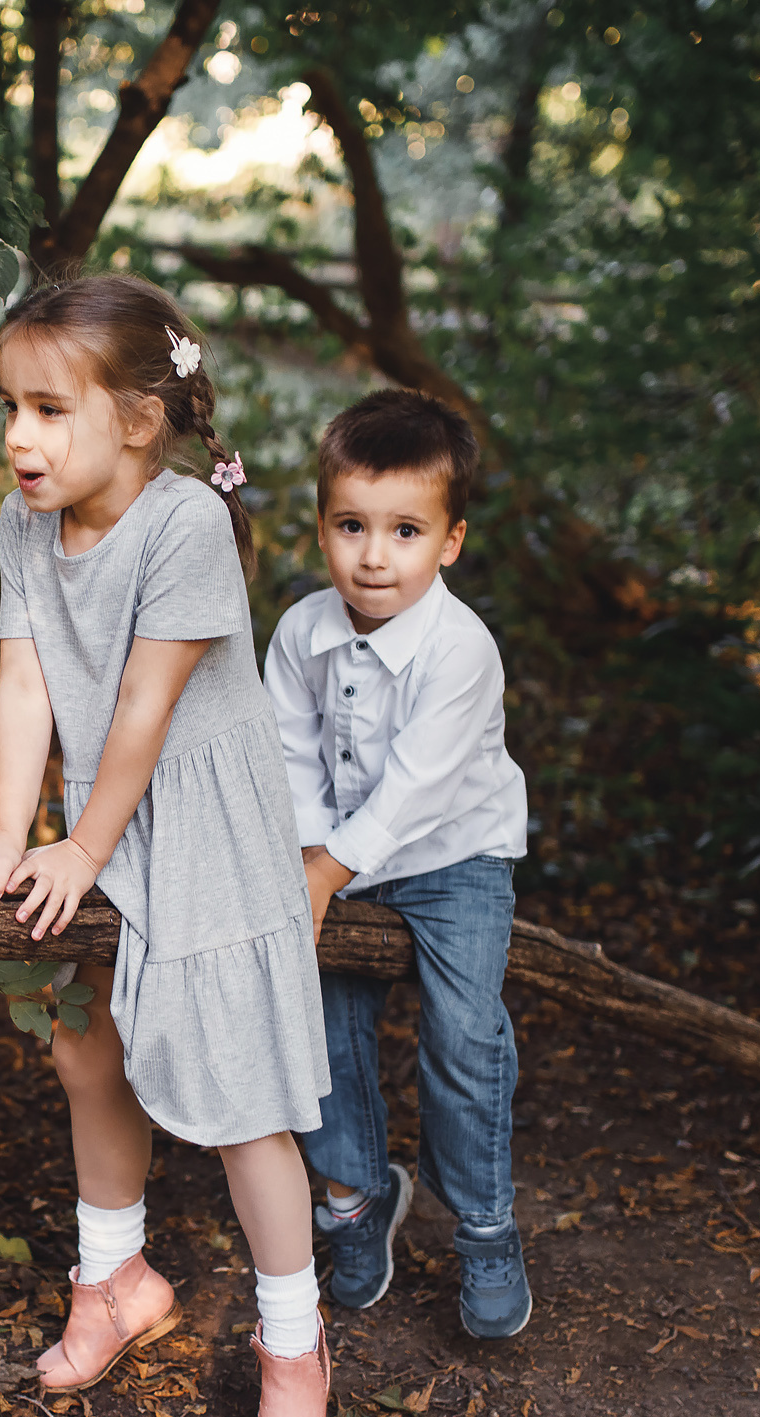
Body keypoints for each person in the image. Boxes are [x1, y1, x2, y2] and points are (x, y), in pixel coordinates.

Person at [0, 275, 336, 1417]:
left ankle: (294, 1346)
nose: (19, 437)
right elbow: (26, 685)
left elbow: (146, 709)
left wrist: (81, 850)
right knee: (82, 1046)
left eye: (50, 410)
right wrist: (11, 836)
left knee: (243, 1103)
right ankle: (115, 1280)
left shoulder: (183, 525)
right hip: (98, 820)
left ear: (140, 420)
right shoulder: (24, 524)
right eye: (11, 407)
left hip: (200, 827)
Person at [264, 389, 532, 1339]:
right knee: (322, 1021)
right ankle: (357, 1194)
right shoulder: (301, 633)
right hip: (335, 856)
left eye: (405, 531)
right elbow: (289, 754)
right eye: (352, 526)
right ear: (322, 528)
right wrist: (311, 857)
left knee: (463, 1034)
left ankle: (485, 1223)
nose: (374, 555)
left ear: (451, 541)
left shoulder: (462, 651)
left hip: (456, 856)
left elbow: (420, 790)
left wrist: (323, 874)